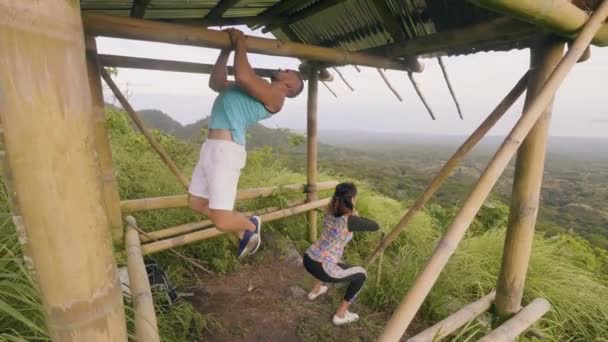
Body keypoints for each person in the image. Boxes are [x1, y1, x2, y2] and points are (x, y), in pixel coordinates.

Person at [188, 28, 305, 258]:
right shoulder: (255, 85)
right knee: (195, 203)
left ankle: (250, 226)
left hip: (227, 151)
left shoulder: (276, 98)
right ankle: (242, 229)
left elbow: (242, 75)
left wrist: (240, 42)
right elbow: (217, 83)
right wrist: (225, 50)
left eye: (289, 71)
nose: (283, 68)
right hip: (210, 147)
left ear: (290, 86)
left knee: (221, 222)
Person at [303, 182, 380, 325]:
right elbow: (375, 226)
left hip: (308, 257)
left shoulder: (330, 209)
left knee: (331, 258)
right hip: (322, 268)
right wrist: (354, 211)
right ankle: (341, 314)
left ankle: (315, 291)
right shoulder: (351, 220)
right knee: (361, 275)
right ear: (352, 199)